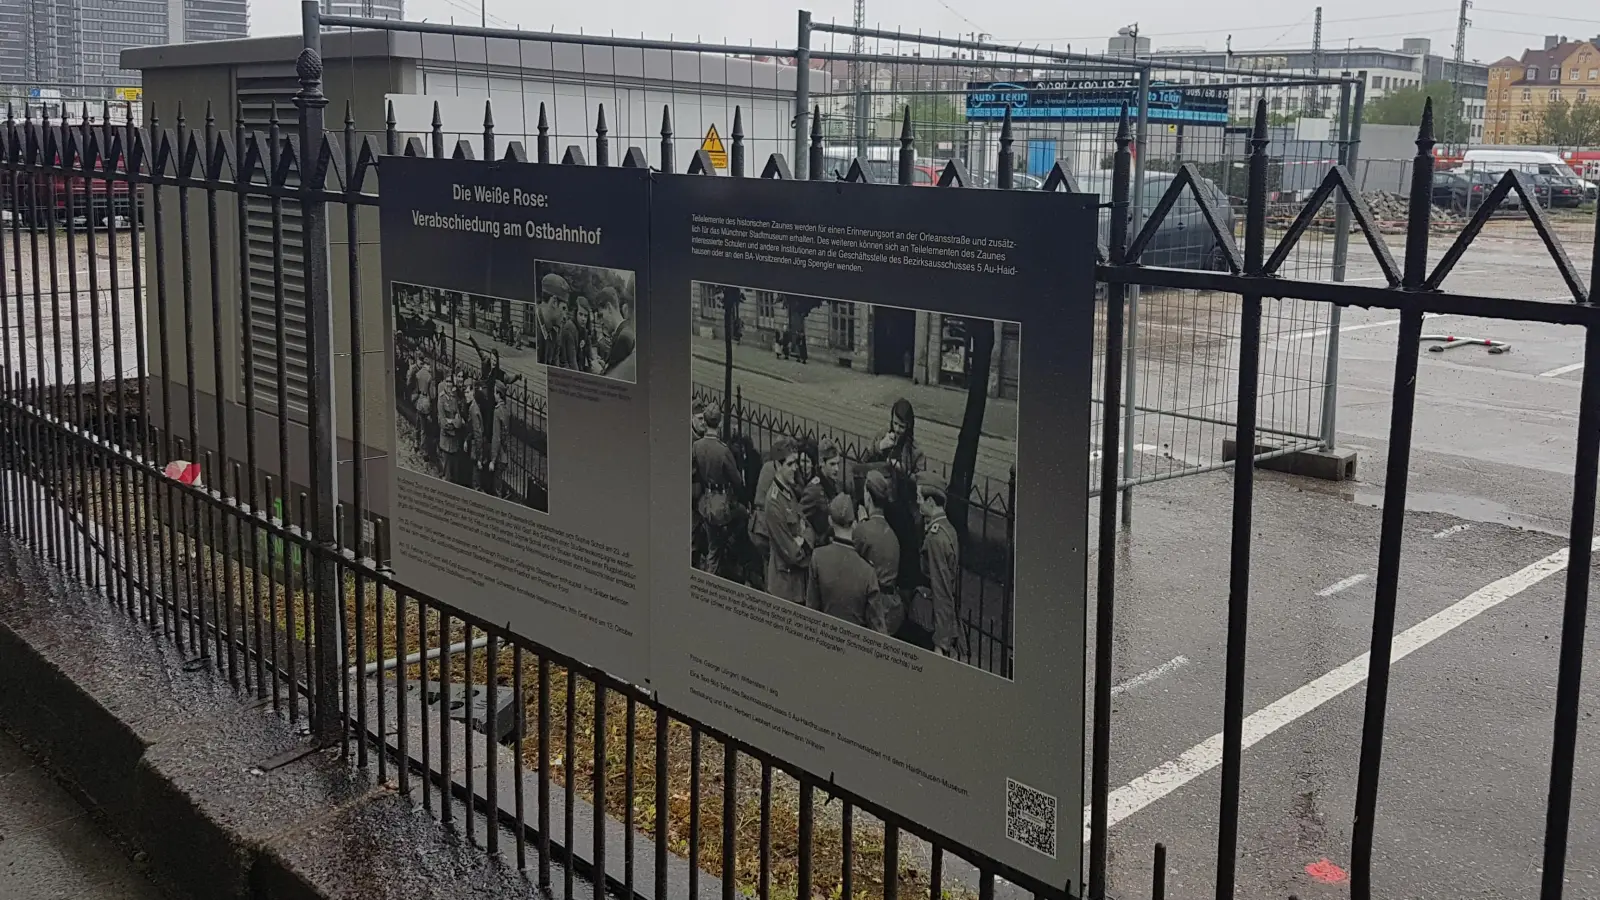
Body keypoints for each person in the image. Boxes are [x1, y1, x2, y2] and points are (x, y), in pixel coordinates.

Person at [806, 493, 880, 628]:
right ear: (854, 524)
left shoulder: (817, 557)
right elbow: (877, 627)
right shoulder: (868, 571)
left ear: (830, 521)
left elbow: (811, 611)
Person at [912, 472, 962, 657]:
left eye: (919, 498)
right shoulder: (948, 529)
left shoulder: (935, 538)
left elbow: (941, 589)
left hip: (931, 622)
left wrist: (941, 643)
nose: (917, 502)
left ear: (931, 502)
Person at [852, 469, 902, 634]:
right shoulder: (892, 533)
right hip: (892, 607)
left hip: (873, 608)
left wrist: (861, 525)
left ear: (867, 495)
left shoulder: (863, 530)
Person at [761, 441, 810, 603]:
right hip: (784, 587)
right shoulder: (774, 502)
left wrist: (802, 539)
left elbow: (807, 526)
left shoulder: (789, 491)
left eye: (796, 463)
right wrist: (803, 542)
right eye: (790, 464)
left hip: (797, 584)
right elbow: (792, 553)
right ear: (777, 465)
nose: (795, 468)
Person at [537, 273, 578, 369]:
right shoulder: (537, 328)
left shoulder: (555, 333)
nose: (565, 317)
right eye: (563, 309)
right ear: (554, 302)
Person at [437, 375, 473, 487]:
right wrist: (453, 423)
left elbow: (459, 422)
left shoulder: (454, 399)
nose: (448, 384)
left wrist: (451, 421)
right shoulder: (441, 399)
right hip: (446, 440)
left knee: (455, 475)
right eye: (447, 381)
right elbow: (443, 422)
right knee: (447, 475)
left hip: (454, 442)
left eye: (450, 382)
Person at [595, 287, 635, 380]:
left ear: (609, 308)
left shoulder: (623, 337)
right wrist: (606, 365)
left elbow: (615, 379)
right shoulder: (625, 331)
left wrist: (599, 371)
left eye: (601, 315)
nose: (601, 321)